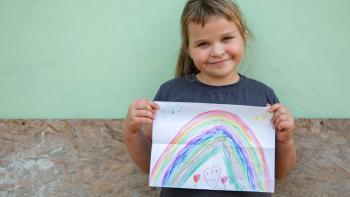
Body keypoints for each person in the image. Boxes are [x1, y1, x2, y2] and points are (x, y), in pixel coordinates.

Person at [123, 0, 296, 196]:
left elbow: (280, 172)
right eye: (203, 43)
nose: (217, 51)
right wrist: (132, 132)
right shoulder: (170, 94)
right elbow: (150, 164)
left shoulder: (263, 96)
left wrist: (285, 141)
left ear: (243, 37)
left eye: (227, 38)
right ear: (188, 49)